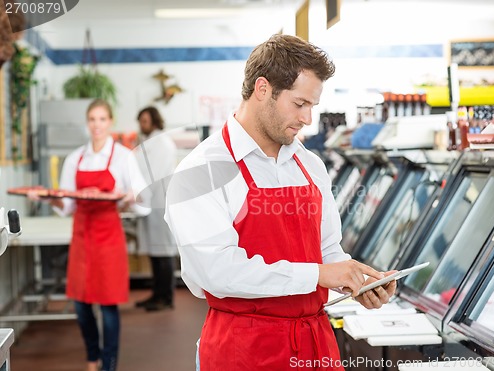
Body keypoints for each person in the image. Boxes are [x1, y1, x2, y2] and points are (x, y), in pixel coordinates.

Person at [164, 34, 397, 370]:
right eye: (299, 104)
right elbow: (218, 273)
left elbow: (328, 251)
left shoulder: (311, 166)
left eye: (312, 107)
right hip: (243, 349)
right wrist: (319, 275)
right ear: (262, 89)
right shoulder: (201, 172)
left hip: (315, 345)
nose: (307, 120)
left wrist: (356, 280)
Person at [31, 99, 149, 371]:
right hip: (82, 237)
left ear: (110, 122)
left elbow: (143, 200)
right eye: (92, 120)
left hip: (108, 237)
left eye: (102, 119)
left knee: (108, 307)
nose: (97, 125)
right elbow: (68, 204)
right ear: (88, 123)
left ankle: (108, 365)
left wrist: (131, 197)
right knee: (81, 306)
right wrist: (50, 199)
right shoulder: (75, 158)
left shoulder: (123, 156)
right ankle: (92, 356)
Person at [134, 106, 178, 311]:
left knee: (164, 251)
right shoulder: (149, 142)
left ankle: (166, 297)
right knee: (155, 251)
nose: (142, 124)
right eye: (140, 121)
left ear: (154, 120)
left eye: (145, 120)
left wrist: (140, 194)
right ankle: (157, 294)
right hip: (150, 201)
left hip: (160, 201)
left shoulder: (161, 142)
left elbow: (154, 174)